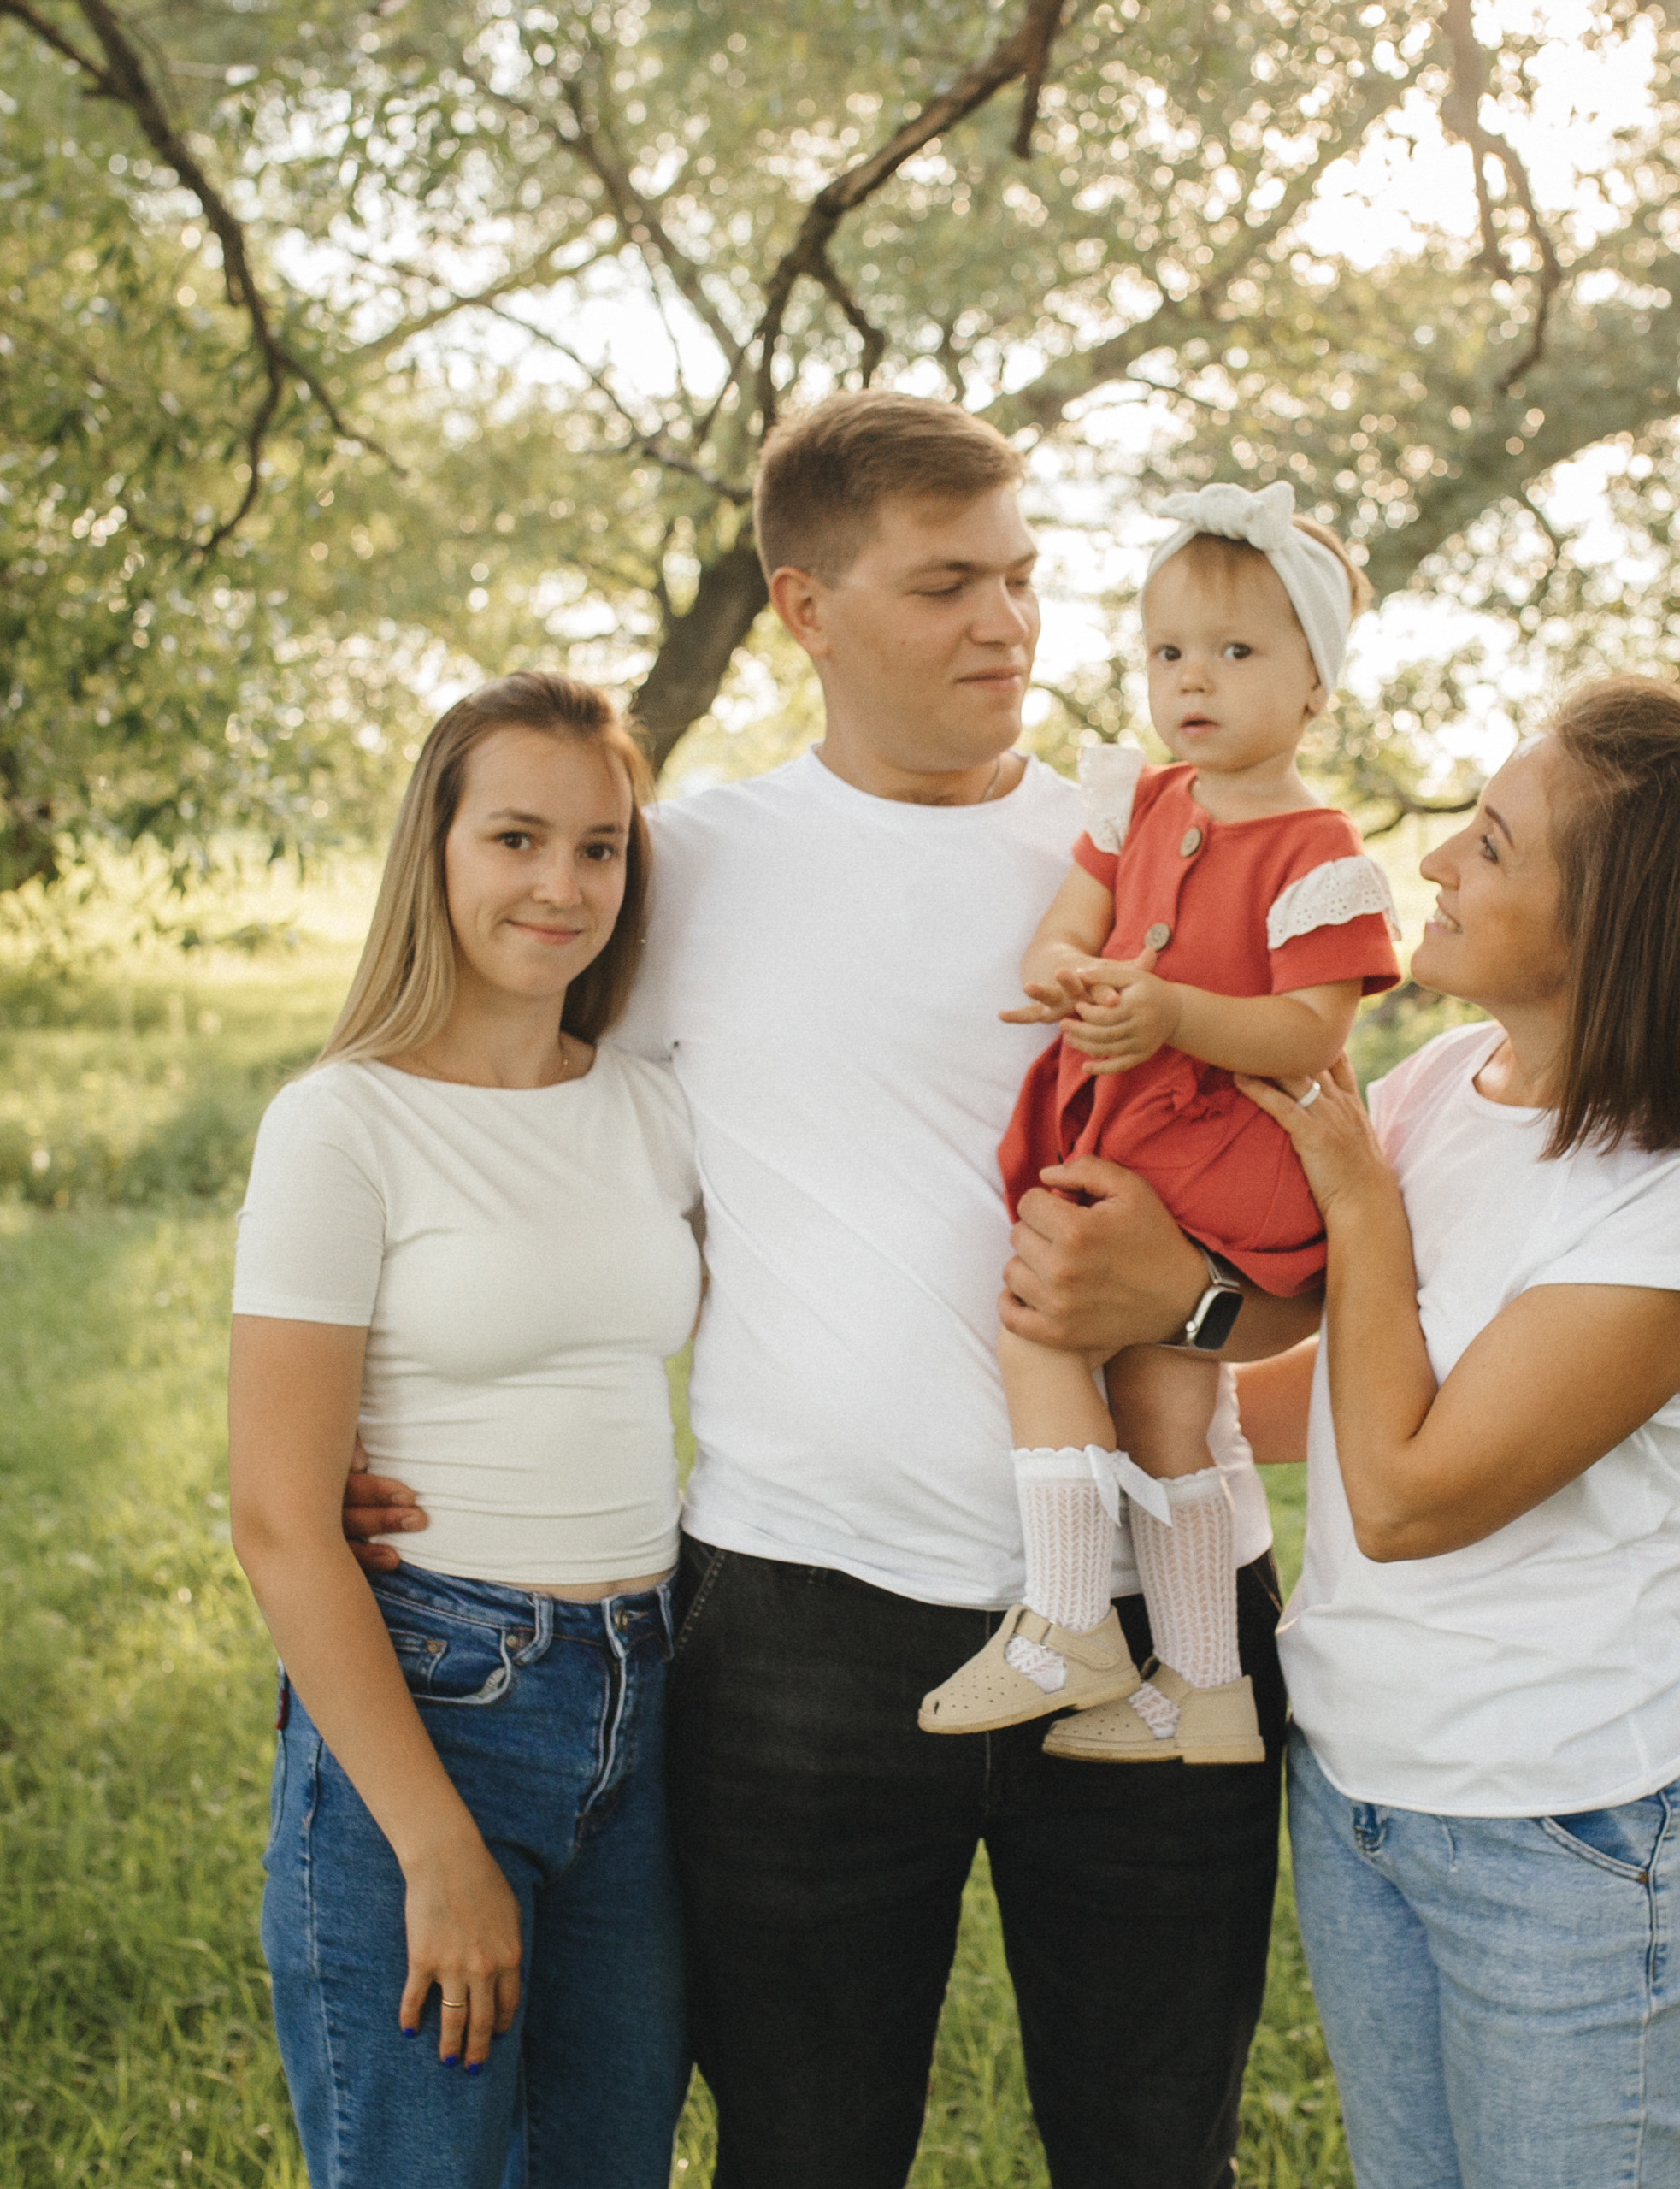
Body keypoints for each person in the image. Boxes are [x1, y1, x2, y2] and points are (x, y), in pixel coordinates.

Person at [346, 394, 1324, 2188]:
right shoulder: (687, 870)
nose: (1006, 623)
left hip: (1162, 1615)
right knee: (802, 2146)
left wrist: (1180, 1302)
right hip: (802, 1619)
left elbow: (1311, 1253)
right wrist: (386, 1428)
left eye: (1024, 577)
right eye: (946, 583)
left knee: (1150, 2144)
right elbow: (494, 1151)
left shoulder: (1166, 842)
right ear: (803, 606)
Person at [1236, 676, 1680, 2188]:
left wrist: (1357, 1201)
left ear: (1616, 927)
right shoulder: (1443, 1086)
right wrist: (1139, 1405)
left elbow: (1416, 1490)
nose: (1435, 863)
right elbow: (1365, 1395)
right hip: (1362, 1786)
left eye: (1491, 845)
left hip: (1568, 1827)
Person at [229, 672, 699, 2189]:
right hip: (438, 1706)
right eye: (516, 838)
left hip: (648, 1698)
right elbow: (282, 1519)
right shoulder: (343, 1123)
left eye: (601, 848)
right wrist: (436, 1848)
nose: (562, 886)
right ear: (434, 851)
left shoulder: (648, 1105)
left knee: (607, 2165)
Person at [920, 481, 1400, 1767]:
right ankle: (1205, 1688)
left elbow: (1312, 1030)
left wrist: (1173, 1012)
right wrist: (1072, 981)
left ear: (1314, 686)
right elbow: (1065, 935)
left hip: (1216, 1154)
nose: (1194, 680)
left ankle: (1070, 1618)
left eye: (1238, 654)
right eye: (1168, 652)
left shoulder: (1319, 850)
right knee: (1173, 1417)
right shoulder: (1138, 801)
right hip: (1139, 1127)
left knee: (1037, 1321)